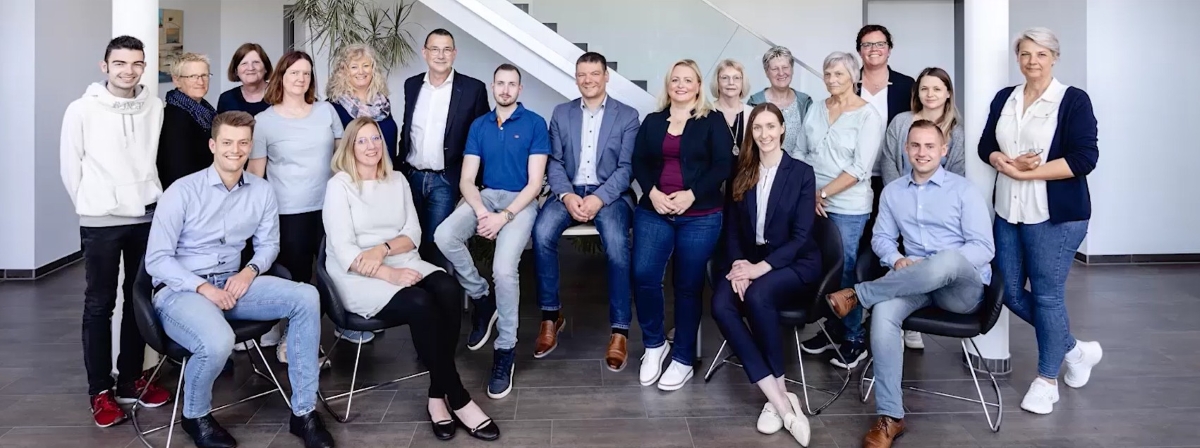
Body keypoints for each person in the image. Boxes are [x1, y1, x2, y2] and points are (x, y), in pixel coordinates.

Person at [144, 111, 335, 448]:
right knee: (219, 340)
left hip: (233, 283)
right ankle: (195, 416)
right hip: (182, 291)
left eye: (243, 143)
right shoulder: (182, 191)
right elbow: (157, 260)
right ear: (213, 145)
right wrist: (203, 288)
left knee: (306, 296)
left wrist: (250, 271)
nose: (236, 150)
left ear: (250, 146)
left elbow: (269, 245)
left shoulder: (261, 191)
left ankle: (304, 412)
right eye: (228, 143)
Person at [322, 117, 500, 441]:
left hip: (400, 258)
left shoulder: (398, 180)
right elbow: (344, 250)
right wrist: (388, 273)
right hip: (356, 276)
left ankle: (436, 395)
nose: (371, 146)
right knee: (420, 302)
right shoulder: (339, 186)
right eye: (362, 140)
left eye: (375, 138)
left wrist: (384, 249)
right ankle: (458, 397)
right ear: (349, 147)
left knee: (447, 288)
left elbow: (412, 234)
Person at [826, 120, 994, 448]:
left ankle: (859, 294)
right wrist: (896, 259)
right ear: (906, 149)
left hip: (960, 290)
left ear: (943, 151)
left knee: (945, 261)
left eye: (930, 146)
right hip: (914, 282)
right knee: (884, 312)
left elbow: (983, 248)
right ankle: (891, 416)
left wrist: (935, 265)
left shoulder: (964, 190)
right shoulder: (893, 192)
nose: (922, 152)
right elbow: (882, 239)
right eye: (915, 145)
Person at [979, 27, 1101, 416]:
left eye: (1041, 54)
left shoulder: (1073, 100)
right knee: (1009, 292)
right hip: (1008, 211)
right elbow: (986, 145)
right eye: (1026, 54)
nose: (1032, 61)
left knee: (1048, 296)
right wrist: (1002, 161)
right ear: (1018, 58)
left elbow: (1084, 159)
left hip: (1054, 216)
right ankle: (1074, 351)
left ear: (1054, 58)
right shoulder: (1006, 97)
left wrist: (1027, 173)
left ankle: (1047, 381)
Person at [59, 35, 170, 428]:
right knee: (99, 304)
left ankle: (130, 379)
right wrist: (94, 202)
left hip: (145, 217)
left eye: (137, 63)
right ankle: (100, 392)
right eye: (120, 63)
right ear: (105, 66)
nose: (129, 70)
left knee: (137, 300)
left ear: (144, 67)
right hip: (101, 221)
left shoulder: (154, 107)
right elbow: (70, 167)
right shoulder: (81, 109)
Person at [434, 64, 549, 400]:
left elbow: (534, 184)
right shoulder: (479, 125)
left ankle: (505, 348)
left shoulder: (534, 123)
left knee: (504, 269)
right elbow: (467, 180)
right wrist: (483, 212)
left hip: (521, 202)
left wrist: (504, 217)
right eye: (500, 83)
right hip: (486, 196)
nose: (505, 89)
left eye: (512, 84)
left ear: (520, 89)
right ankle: (482, 298)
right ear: (493, 86)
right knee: (444, 235)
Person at [710, 103, 816, 446]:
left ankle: (776, 397)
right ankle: (781, 400)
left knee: (758, 295)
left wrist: (759, 269)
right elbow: (732, 229)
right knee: (721, 305)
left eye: (771, 126)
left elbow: (801, 237)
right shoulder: (742, 171)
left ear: (783, 129)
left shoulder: (801, 173)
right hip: (748, 261)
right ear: (750, 133)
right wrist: (739, 265)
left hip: (793, 263)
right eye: (757, 128)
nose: (764, 134)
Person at [531, 52, 640, 369]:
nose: (588, 80)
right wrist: (566, 195)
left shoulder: (627, 115)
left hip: (610, 194)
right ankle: (551, 316)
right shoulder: (561, 113)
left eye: (594, 74)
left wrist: (599, 198)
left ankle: (619, 330)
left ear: (606, 76)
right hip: (569, 191)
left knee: (617, 244)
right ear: (576, 78)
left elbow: (627, 168)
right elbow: (555, 162)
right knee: (541, 233)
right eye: (582, 74)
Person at [632, 59, 732, 391]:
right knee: (644, 275)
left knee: (688, 285)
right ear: (668, 84)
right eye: (675, 79)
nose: (681, 85)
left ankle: (684, 359)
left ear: (699, 86)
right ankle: (654, 344)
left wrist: (692, 194)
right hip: (655, 209)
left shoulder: (712, 121)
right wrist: (652, 192)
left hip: (699, 214)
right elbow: (639, 161)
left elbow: (723, 165)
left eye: (688, 80)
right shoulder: (653, 121)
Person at [248, 50, 343, 362]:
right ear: (281, 77)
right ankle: (294, 341)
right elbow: (256, 174)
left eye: (306, 73)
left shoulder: (326, 111)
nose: (300, 78)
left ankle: (310, 335)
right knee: (298, 280)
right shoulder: (264, 122)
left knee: (331, 275)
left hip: (329, 208)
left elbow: (343, 159)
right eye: (294, 73)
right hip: (288, 213)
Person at [796, 52, 883, 369]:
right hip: (812, 202)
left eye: (839, 74)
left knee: (845, 269)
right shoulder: (816, 108)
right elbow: (800, 151)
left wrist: (821, 193)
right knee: (821, 269)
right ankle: (832, 328)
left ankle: (854, 338)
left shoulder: (867, 116)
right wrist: (808, 193)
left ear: (855, 76)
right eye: (828, 74)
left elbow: (859, 168)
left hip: (848, 207)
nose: (832, 80)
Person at [879, 66, 966, 351]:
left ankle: (910, 322)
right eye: (925, 88)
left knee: (928, 260)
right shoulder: (901, 122)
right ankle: (899, 318)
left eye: (937, 89)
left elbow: (957, 173)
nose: (930, 94)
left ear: (948, 93)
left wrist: (934, 204)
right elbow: (888, 161)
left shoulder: (956, 132)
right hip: (900, 204)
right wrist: (900, 199)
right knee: (901, 258)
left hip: (938, 211)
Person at [325, 43, 399, 345]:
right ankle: (347, 321)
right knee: (352, 247)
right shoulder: (335, 107)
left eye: (366, 65)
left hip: (383, 185)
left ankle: (374, 305)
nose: (361, 72)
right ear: (343, 71)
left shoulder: (384, 103)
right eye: (354, 66)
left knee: (376, 245)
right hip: (353, 189)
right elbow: (334, 153)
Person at [400, 29, 491, 267]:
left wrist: (472, 184)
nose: (440, 55)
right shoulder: (412, 85)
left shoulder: (473, 89)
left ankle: (440, 289)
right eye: (435, 49)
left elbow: (483, 139)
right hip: (411, 177)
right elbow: (408, 129)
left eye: (446, 49)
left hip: (445, 180)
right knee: (409, 241)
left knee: (436, 245)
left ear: (454, 53)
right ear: (425, 52)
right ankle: (413, 288)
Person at [855, 24, 915, 199]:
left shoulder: (907, 85)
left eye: (880, 44)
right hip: (854, 177)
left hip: (896, 175)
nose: (874, 49)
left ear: (889, 50)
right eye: (867, 45)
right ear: (859, 51)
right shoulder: (849, 85)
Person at [158, 52, 217, 189]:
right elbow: (177, 170)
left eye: (204, 75)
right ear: (177, 80)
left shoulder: (206, 111)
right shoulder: (174, 118)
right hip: (188, 193)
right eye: (193, 76)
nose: (200, 82)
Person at [747, 46, 813, 158]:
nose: (781, 73)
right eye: (775, 69)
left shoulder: (805, 103)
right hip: (764, 165)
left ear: (792, 69)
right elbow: (749, 143)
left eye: (785, 67)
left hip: (799, 166)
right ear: (766, 72)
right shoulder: (755, 103)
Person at [216, 43, 272, 116]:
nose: (250, 68)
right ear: (236, 71)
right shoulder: (226, 99)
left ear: (266, 68)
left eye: (256, 62)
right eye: (244, 63)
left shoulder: (281, 94)